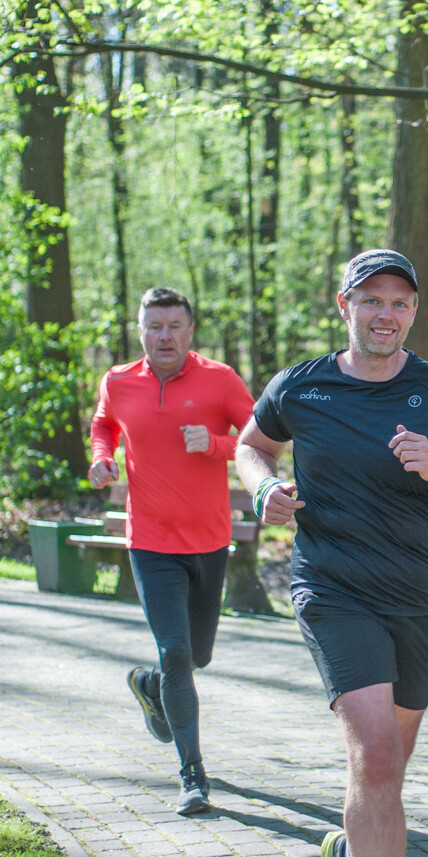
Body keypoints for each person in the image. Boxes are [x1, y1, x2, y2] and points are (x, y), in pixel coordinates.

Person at [234, 249, 428, 857]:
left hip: (419, 597)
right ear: (345, 305)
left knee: (387, 769)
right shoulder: (302, 385)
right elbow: (251, 446)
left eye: (399, 303)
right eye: (372, 300)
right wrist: (264, 488)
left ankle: (354, 845)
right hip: (333, 590)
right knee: (374, 759)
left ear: (413, 312)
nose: (385, 314)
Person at [87, 287, 255, 815]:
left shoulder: (220, 379)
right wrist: (101, 457)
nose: (164, 336)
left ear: (190, 330)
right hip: (150, 543)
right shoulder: (118, 381)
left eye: (174, 326)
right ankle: (192, 775)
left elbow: (262, 437)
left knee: (195, 656)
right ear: (141, 330)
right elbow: (103, 424)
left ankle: (150, 685)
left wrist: (216, 443)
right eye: (154, 326)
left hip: (209, 542)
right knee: (177, 652)